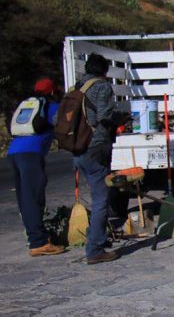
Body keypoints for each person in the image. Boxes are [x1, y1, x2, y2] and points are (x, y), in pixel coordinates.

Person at [7, 78, 66, 257]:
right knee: (34, 198)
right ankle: (39, 243)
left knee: (25, 199)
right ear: (52, 92)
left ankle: (35, 239)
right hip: (31, 155)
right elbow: (65, 124)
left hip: (13, 153)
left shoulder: (27, 105)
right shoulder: (50, 106)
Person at [73, 53, 121, 265]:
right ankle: (95, 250)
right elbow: (104, 115)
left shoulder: (76, 88)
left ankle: (97, 238)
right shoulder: (102, 86)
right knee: (102, 199)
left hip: (77, 148)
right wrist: (119, 119)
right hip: (96, 146)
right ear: (104, 70)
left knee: (96, 193)